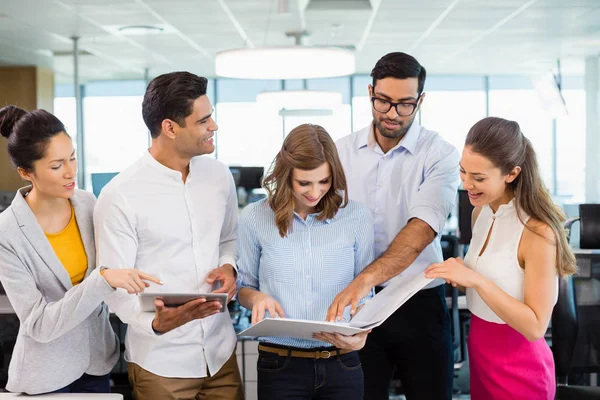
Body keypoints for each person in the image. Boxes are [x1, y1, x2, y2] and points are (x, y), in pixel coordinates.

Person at [94, 71, 243, 400]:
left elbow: (228, 239)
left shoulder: (219, 176)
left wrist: (229, 267)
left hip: (220, 355)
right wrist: (158, 324)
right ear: (170, 128)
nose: (213, 127)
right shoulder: (120, 195)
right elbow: (113, 286)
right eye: (204, 121)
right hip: (161, 361)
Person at [327, 52, 460, 400]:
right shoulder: (340, 152)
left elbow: (420, 232)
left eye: (404, 105)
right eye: (383, 101)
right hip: (358, 305)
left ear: (420, 101)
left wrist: (365, 279)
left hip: (418, 301)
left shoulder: (440, 154)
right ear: (370, 92)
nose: (391, 114)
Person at [0, 106, 160, 394]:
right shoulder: (7, 232)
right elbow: (38, 324)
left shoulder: (87, 203)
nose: (71, 172)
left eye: (72, 157)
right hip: (46, 375)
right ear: (26, 172)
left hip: (96, 362)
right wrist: (103, 279)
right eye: (56, 165)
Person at [425, 117, 577, 399]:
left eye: (479, 178)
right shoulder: (479, 212)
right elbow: (496, 283)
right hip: (481, 355)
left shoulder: (538, 231)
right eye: (463, 172)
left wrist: (476, 280)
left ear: (511, 173)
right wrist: (459, 275)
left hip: (520, 366)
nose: (467, 184)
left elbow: (534, 326)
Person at [237, 123, 375, 400]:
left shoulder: (357, 216)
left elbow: (366, 291)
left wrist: (364, 332)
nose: (315, 192)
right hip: (279, 366)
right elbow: (243, 287)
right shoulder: (254, 218)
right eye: (304, 183)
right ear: (286, 176)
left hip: (342, 364)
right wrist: (256, 299)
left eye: (324, 182)